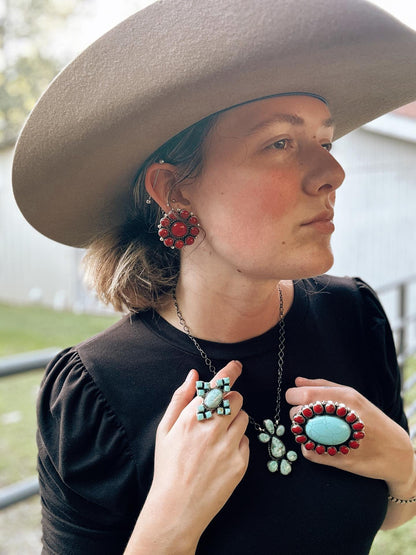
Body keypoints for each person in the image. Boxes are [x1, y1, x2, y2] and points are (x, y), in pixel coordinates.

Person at [11, 0, 416, 553]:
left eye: (325, 141)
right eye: (280, 143)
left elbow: (391, 516)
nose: (333, 173)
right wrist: (172, 520)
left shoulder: (354, 316)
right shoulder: (95, 392)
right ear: (174, 190)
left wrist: (403, 463)